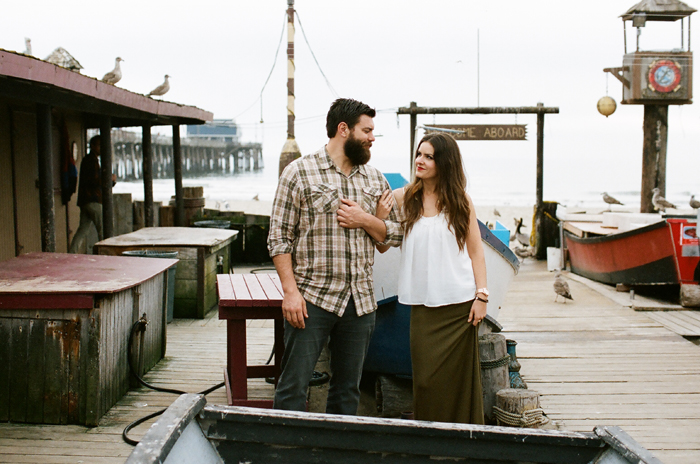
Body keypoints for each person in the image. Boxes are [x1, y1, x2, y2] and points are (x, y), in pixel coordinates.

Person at [267, 98, 402, 414]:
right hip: (313, 299)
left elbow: (390, 238)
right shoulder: (299, 173)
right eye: (366, 130)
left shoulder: (374, 179)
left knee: (347, 392)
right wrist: (290, 293)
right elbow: (279, 239)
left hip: (361, 303)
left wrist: (367, 219)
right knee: (292, 387)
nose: (372, 137)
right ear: (344, 129)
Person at [376, 132, 487, 424]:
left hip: (459, 305)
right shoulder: (406, 196)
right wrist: (377, 214)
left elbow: (476, 251)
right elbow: (382, 243)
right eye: (419, 154)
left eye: (429, 156)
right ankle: (432, 440)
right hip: (423, 306)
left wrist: (482, 296)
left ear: (444, 162)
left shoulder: (460, 200)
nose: (420, 161)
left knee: (458, 381)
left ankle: (463, 442)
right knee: (424, 380)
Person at [69, 135, 115, 253]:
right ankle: (106, 254)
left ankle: (72, 252)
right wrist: (110, 180)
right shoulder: (92, 160)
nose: (102, 148)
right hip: (93, 200)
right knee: (104, 229)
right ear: (93, 146)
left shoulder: (87, 159)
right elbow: (95, 181)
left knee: (82, 230)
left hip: (85, 201)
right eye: (100, 145)